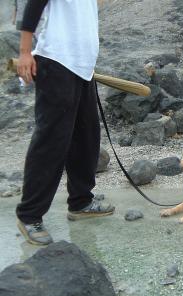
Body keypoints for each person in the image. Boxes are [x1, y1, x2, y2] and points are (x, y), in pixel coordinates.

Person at [16, 0, 115, 246]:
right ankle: (30, 215)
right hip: (57, 61)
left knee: (86, 137)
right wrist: (25, 52)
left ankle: (81, 202)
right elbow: (33, 5)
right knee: (51, 142)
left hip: (83, 68)